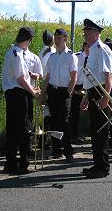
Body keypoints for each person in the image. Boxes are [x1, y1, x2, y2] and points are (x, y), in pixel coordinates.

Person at [1, 27, 40, 174]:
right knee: (24, 127)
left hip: (14, 94)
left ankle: (12, 161)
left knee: (15, 128)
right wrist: (33, 91)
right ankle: (21, 162)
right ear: (28, 40)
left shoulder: (13, 51)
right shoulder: (17, 54)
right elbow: (21, 79)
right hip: (18, 94)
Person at [80, 18, 112, 178]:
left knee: (101, 131)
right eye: (85, 31)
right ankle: (97, 164)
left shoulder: (101, 49)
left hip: (102, 92)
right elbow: (91, 76)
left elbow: (108, 76)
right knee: (95, 131)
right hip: (94, 91)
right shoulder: (93, 49)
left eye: (89, 32)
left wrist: (106, 98)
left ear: (97, 33)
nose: (85, 34)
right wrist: (87, 95)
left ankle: (103, 167)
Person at [41, 29, 77, 162]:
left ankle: (68, 151)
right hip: (52, 90)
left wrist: (68, 91)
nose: (56, 40)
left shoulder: (70, 56)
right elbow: (47, 77)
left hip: (64, 91)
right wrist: (43, 94)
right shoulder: (52, 56)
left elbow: (74, 76)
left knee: (65, 122)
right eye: (55, 38)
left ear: (65, 39)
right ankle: (57, 150)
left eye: (59, 38)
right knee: (54, 121)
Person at [70, 42, 89, 144]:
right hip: (77, 85)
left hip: (87, 86)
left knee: (85, 112)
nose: (87, 48)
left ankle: (81, 133)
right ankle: (73, 135)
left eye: (89, 46)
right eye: (85, 46)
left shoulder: (93, 58)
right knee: (74, 112)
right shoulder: (77, 56)